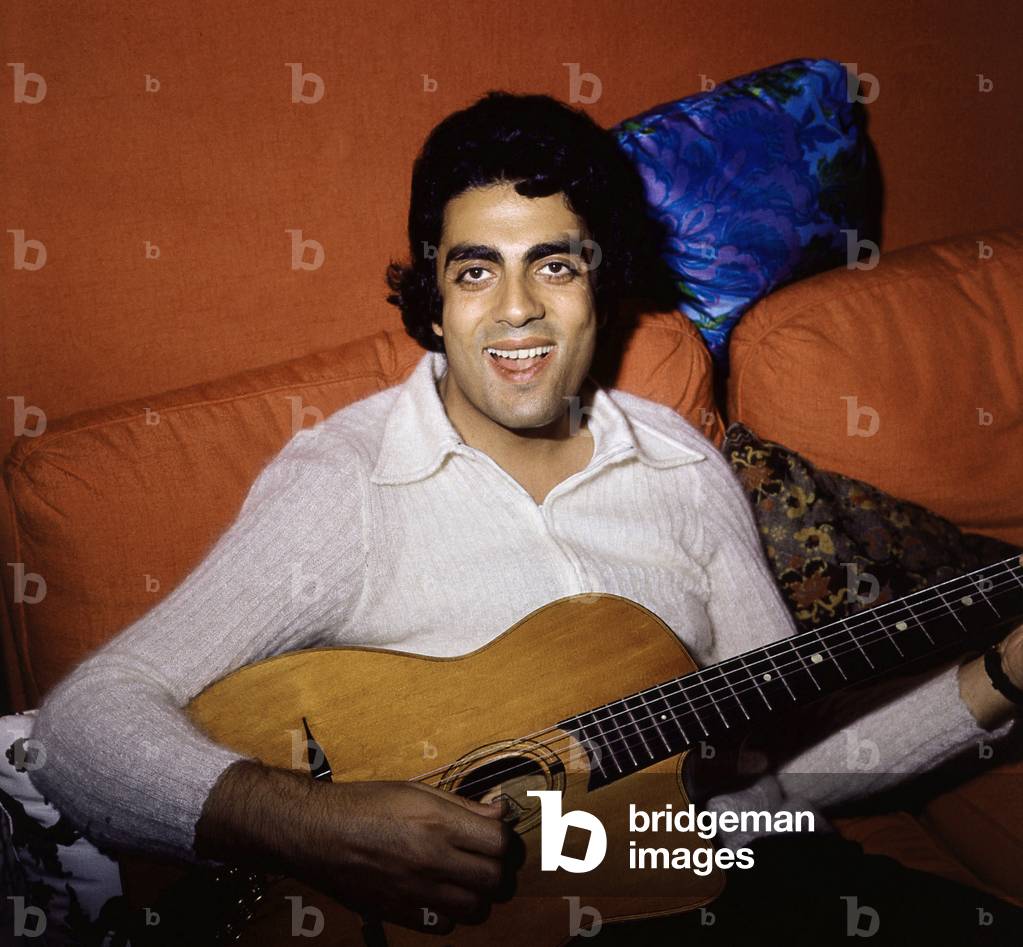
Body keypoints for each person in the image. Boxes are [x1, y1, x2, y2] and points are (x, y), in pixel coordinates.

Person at [29, 91, 1023, 945]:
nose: (517, 311)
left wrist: (996, 681)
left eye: (555, 264)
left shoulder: (685, 471)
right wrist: (311, 823)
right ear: (432, 293)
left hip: (745, 890)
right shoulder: (349, 480)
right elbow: (79, 728)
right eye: (475, 269)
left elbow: (763, 787)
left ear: (604, 279)